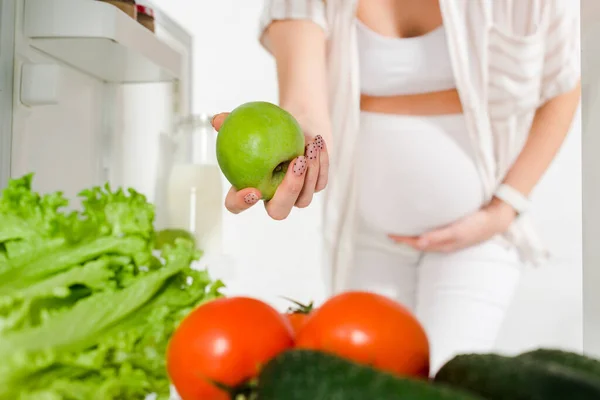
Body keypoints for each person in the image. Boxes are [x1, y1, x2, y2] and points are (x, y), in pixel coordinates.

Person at [211, 0, 581, 373]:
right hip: (366, 237)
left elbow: (564, 80)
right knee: (373, 379)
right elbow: (304, 107)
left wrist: (504, 208)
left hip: (478, 236)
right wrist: (302, 152)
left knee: (448, 378)